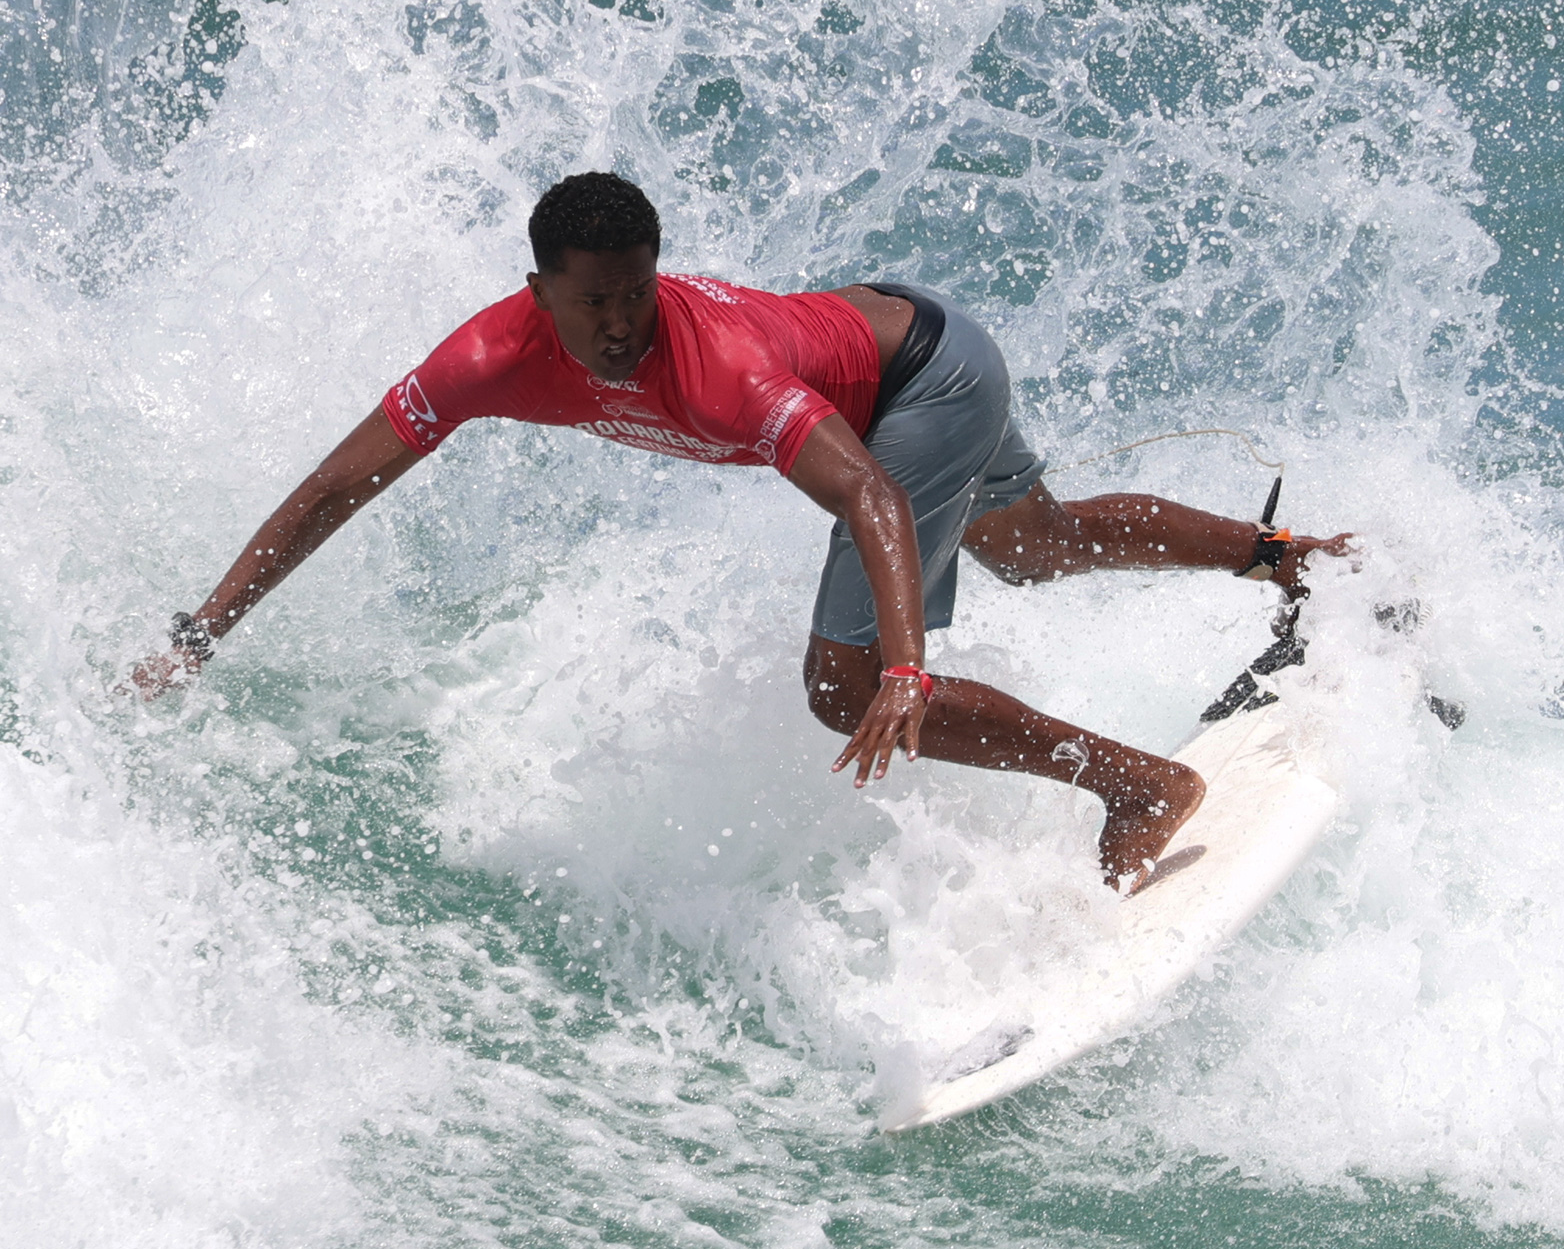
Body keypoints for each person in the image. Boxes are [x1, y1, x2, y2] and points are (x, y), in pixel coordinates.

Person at [128, 171, 1353, 887]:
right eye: (594, 301)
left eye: (636, 292)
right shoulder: (487, 358)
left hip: (926, 378)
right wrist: (203, 629)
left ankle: (1138, 784)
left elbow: (868, 492)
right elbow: (337, 485)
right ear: (537, 288)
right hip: (919, 341)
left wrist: (907, 670)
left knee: (843, 684)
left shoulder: (709, 364)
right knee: (1033, 544)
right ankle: (1289, 563)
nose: (620, 325)